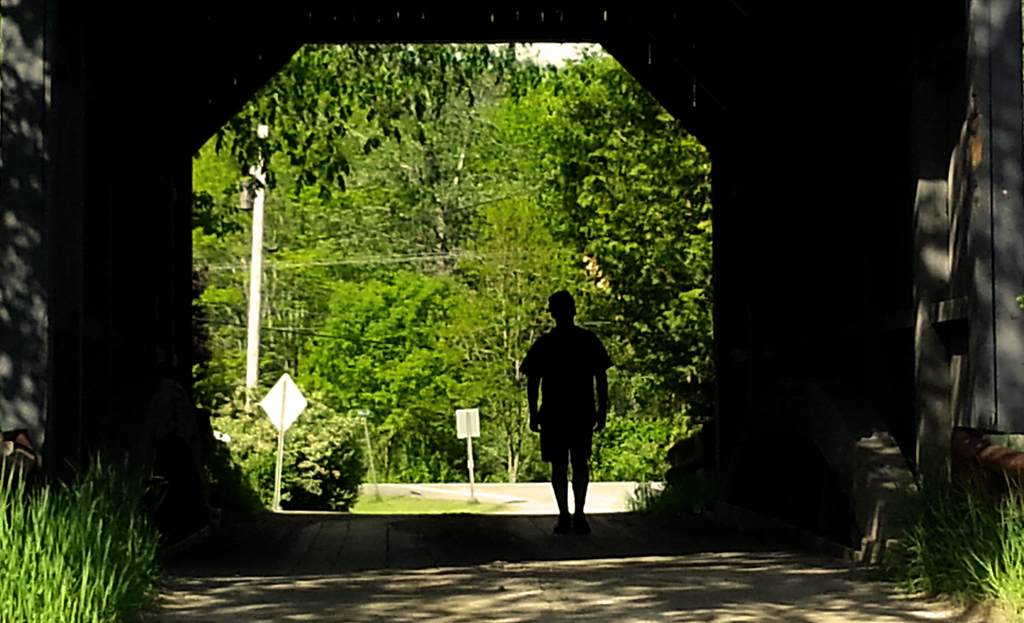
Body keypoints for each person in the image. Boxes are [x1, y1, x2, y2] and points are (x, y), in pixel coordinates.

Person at [520, 290, 612, 535]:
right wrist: (602, 409)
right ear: (574, 311)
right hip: (579, 411)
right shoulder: (587, 340)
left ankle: (565, 515)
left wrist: (532, 412)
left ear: (554, 314)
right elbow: (601, 377)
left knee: (560, 465)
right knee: (578, 463)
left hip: (555, 412)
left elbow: (532, 380)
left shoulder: (545, 343)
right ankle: (577, 515)